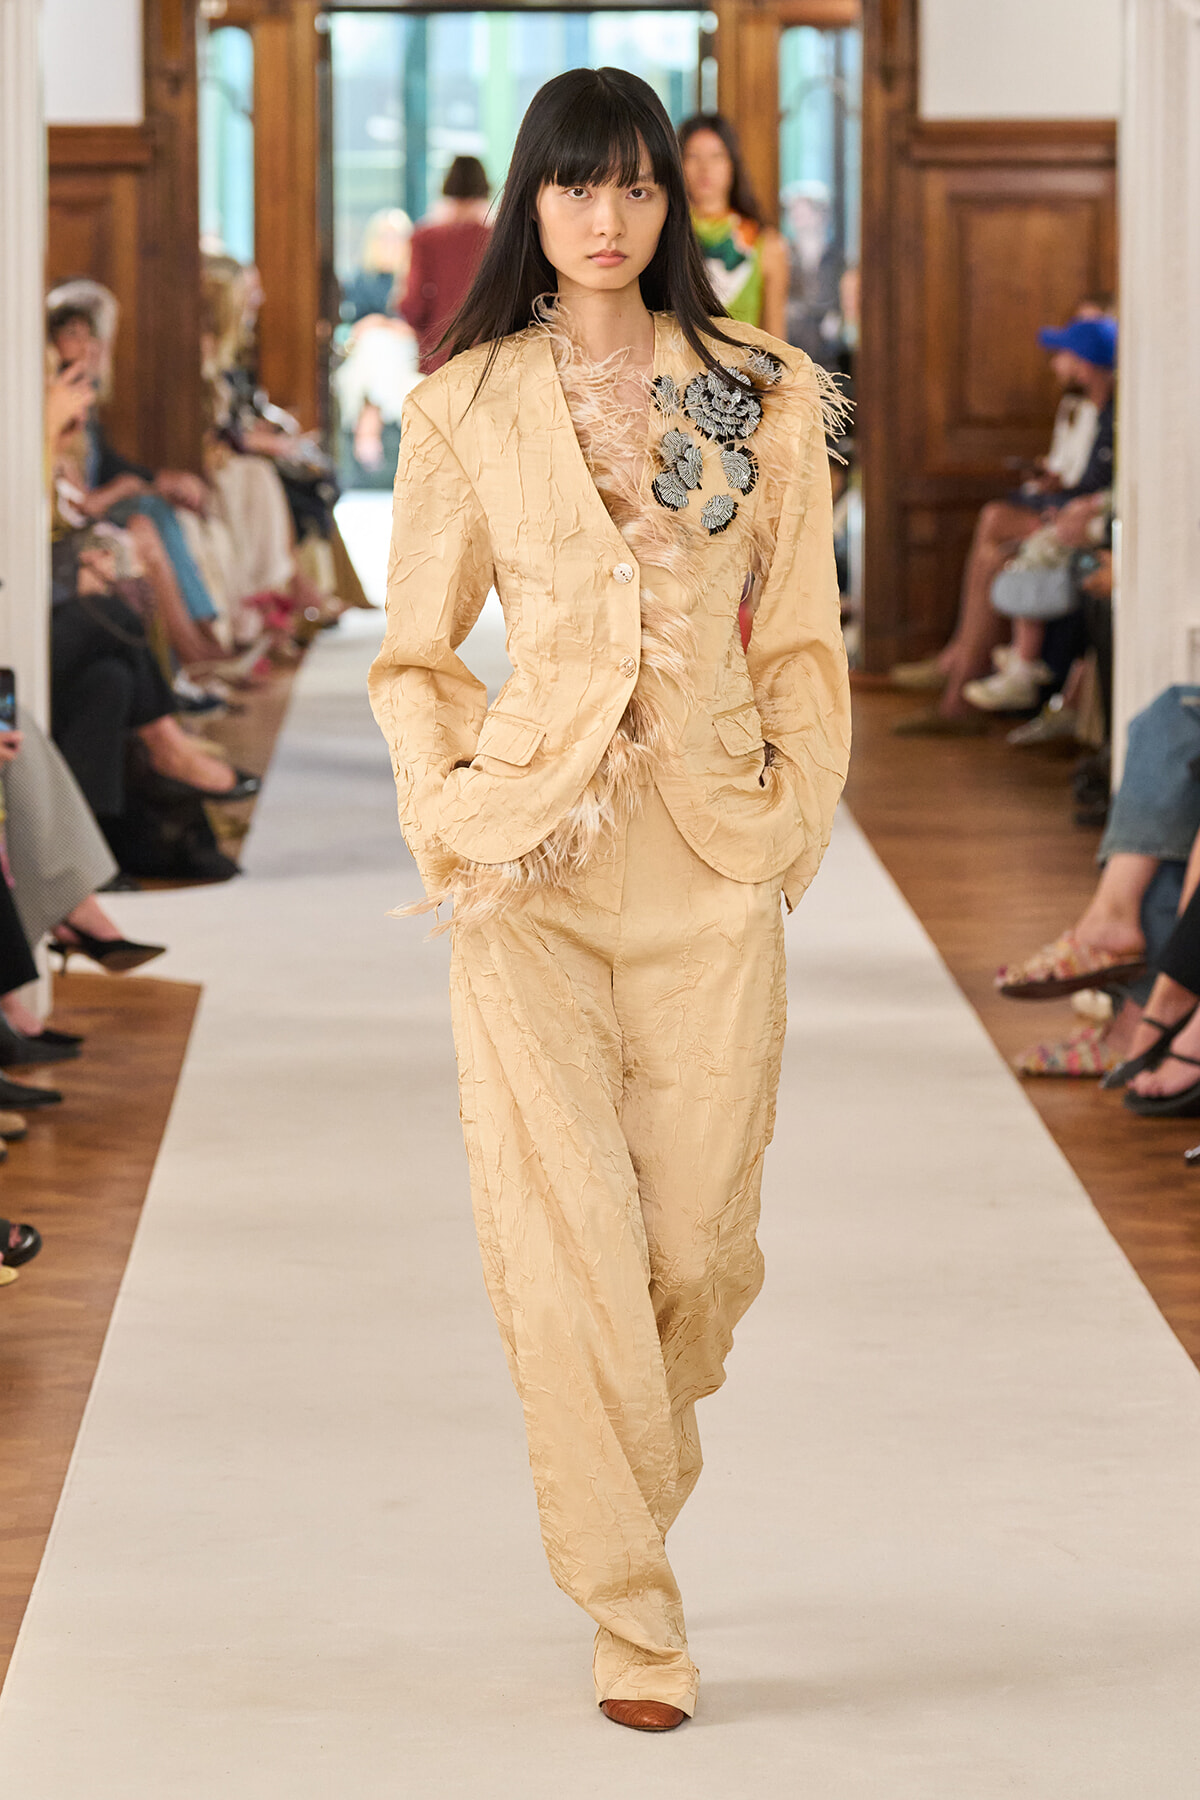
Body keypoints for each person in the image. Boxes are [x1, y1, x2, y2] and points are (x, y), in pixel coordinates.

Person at [369, 67, 850, 1732]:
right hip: (531, 871)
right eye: (577, 186)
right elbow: (415, 655)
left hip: (717, 857)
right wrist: (451, 820)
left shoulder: (756, 391)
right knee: (568, 1238)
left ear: (672, 208)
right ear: (534, 202)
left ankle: (621, 1485)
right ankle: (634, 1615)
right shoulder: (467, 404)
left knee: (703, 1246)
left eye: (637, 187)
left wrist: (798, 822)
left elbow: (798, 637)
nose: (606, 215)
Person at [893, 313, 1117, 732]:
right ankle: (958, 672)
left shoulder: (1110, 417)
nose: (1056, 364)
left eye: (1064, 354)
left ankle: (960, 679)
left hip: (1085, 527)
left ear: (1084, 362)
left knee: (995, 526)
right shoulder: (1090, 412)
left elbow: (1100, 489)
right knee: (994, 541)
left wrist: (1061, 501)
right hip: (1072, 515)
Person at [678, 114, 789, 338]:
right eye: (693, 156)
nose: (705, 168)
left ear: (732, 164)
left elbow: (776, 339)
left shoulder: (765, 244)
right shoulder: (666, 235)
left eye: (717, 156)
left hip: (743, 370)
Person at [333, 211, 421, 471]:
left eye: (397, 237)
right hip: (367, 352)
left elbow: (419, 328)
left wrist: (384, 326)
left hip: (403, 352)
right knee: (375, 343)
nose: (390, 243)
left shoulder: (412, 282)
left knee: (379, 343)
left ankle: (368, 426)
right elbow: (348, 329)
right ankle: (370, 422)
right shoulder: (360, 280)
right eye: (384, 236)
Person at [400, 156, 492, 374]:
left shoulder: (425, 238)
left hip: (440, 355)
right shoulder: (499, 239)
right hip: (492, 356)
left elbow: (414, 305)